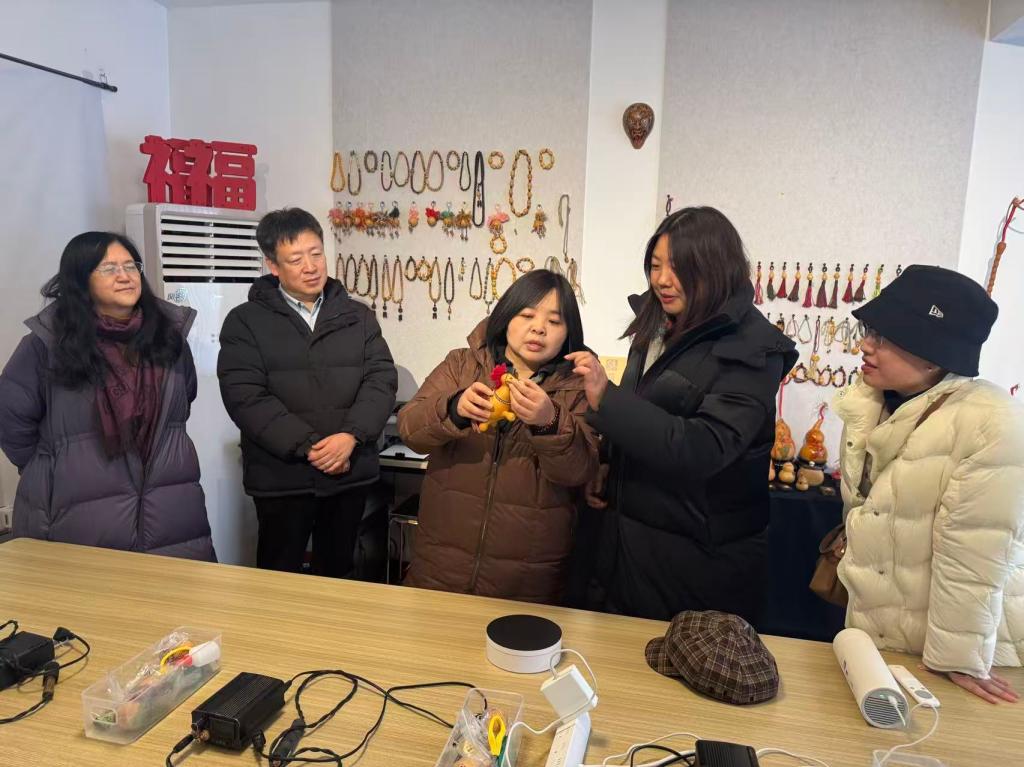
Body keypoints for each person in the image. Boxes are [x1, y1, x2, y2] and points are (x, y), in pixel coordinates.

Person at [569, 207, 796, 623]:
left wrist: (607, 399)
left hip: (699, 564)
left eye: (678, 267)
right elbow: (646, 411)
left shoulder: (753, 348)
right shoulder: (655, 324)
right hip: (626, 546)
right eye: (655, 266)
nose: (661, 279)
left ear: (717, 267)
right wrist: (607, 464)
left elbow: (704, 447)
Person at [834, 265, 1022, 704]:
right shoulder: (873, 403)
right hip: (885, 640)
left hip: (955, 656)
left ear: (935, 352)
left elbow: (976, 552)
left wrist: (958, 658)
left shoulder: (992, 423)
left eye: (884, 336)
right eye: (869, 331)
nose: (865, 345)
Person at [0, 232, 214, 559]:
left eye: (131, 266)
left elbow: (183, 403)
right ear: (80, 280)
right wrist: (56, 463)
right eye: (109, 268)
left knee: (174, 590)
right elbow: (11, 419)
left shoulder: (169, 339)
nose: (125, 276)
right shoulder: (47, 345)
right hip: (77, 516)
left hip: (170, 509)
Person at [397, 270, 599, 603]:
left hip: (527, 578)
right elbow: (409, 429)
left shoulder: (577, 387)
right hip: (441, 564)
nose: (539, 328)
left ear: (569, 332)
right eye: (527, 315)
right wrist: (454, 408)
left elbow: (579, 471)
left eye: (554, 321)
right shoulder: (461, 365)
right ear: (506, 317)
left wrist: (549, 421)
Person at [217, 207, 396, 577]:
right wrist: (311, 447)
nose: (311, 267)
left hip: (348, 471)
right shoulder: (245, 322)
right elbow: (245, 397)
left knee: (340, 575)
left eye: (316, 253)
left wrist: (351, 436)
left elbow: (380, 379)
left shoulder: (357, 316)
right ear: (273, 266)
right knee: (278, 577)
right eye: (296, 259)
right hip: (282, 477)